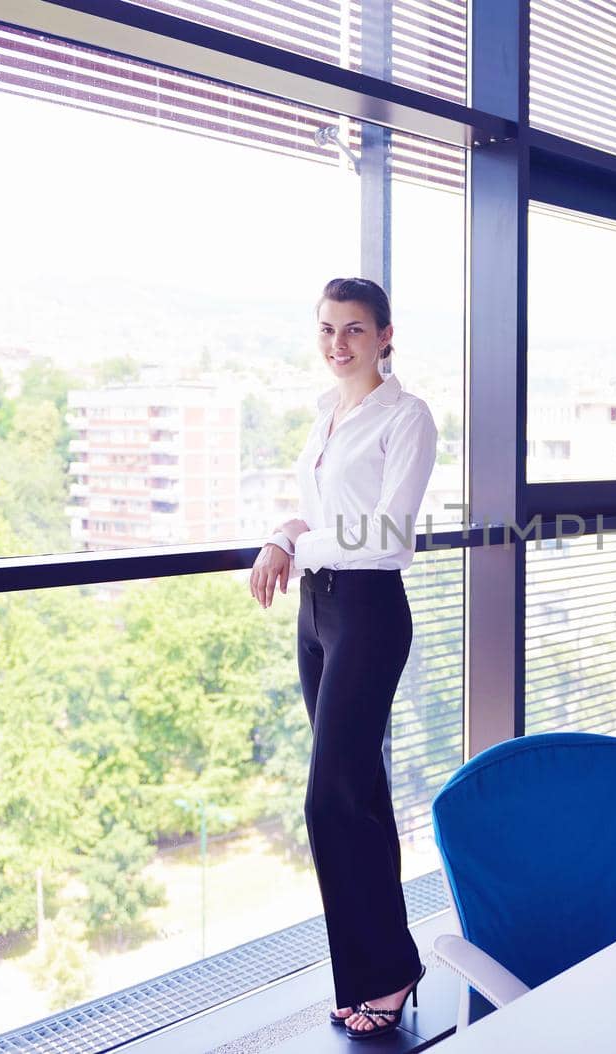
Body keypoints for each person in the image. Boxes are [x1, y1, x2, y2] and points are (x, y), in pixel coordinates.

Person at [248, 277, 437, 1041]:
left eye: (354, 330)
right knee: (359, 794)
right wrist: (283, 535)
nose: (338, 345)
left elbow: (390, 537)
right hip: (317, 613)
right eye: (327, 329)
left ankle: (381, 976)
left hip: (367, 614)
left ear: (386, 335)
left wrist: (302, 542)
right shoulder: (327, 413)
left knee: (328, 800)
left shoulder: (408, 418)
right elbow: (324, 514)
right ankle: (391, 966)